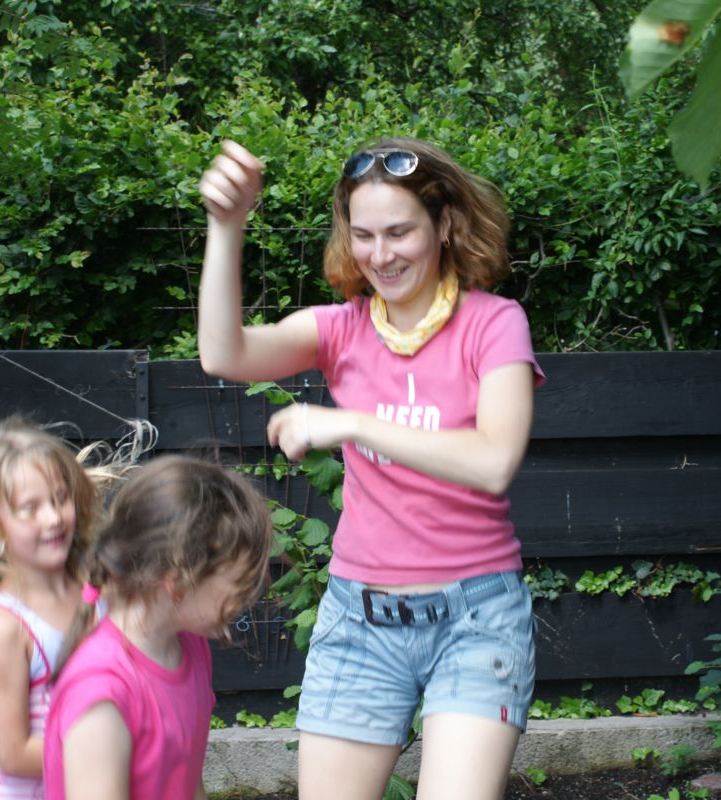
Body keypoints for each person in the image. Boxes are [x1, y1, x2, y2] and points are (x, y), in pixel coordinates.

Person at [197, 138, 544, 800]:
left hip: (475, 619)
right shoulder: (342, 329)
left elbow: (494, 460)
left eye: (399, 232)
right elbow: (224, 353)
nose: (380, 255)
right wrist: (226, 226)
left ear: (445, 225)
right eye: (363, 235)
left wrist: (352, 423)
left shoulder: (495, 324)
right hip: (359, 619)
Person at [42, 454, 273, 800]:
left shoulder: (189, 646)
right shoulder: (102, 693)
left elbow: (188, 783)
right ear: (178, 581)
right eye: (240, 583)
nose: (249, 597)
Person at [0, 416, 112, 800]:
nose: (54, 518)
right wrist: (115, 749)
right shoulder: (4, 625)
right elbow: (13, 754)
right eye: (29, 508)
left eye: (60, 498)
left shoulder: (97, 586)